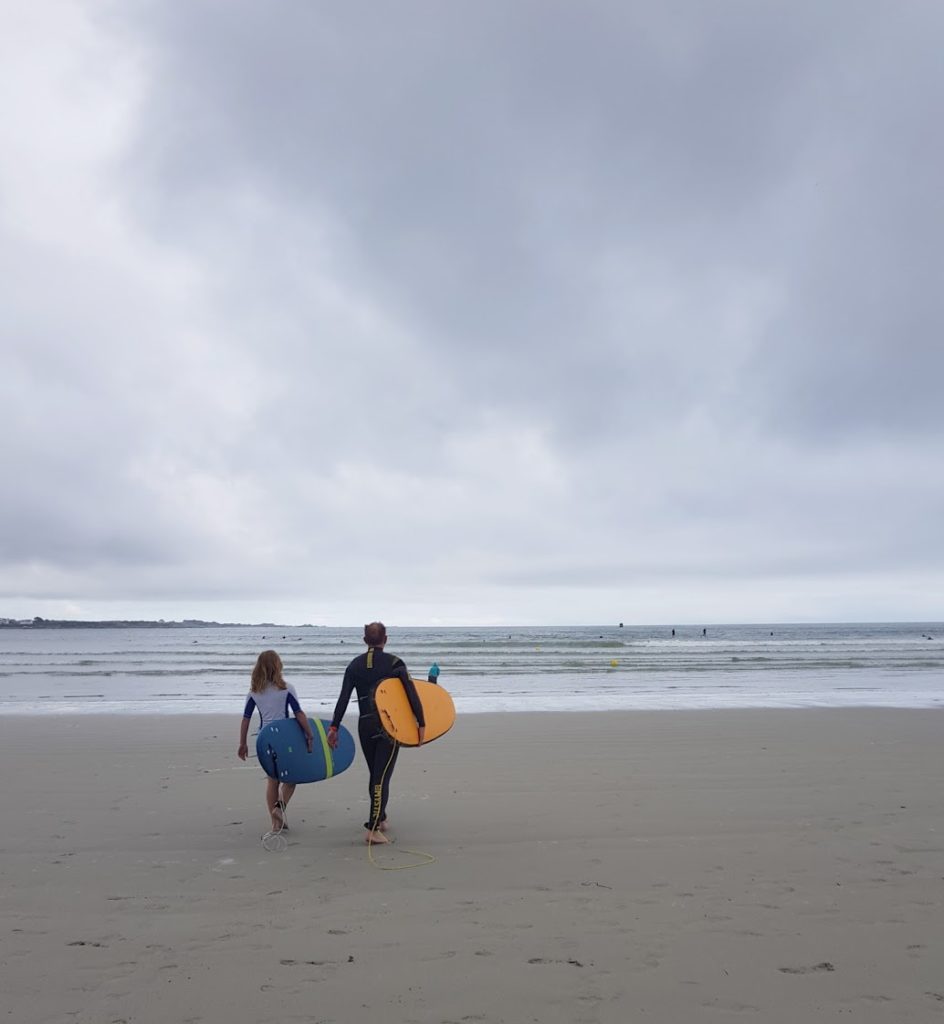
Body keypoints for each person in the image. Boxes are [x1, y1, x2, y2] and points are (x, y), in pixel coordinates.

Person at [328, 622, 425, 844]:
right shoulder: (394, 663)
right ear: (386, 639)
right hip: (388, 727)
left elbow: (343, 698)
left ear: (365, 641)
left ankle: (380, 818)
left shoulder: (354, 665)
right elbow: (412, 693)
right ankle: (372, 828)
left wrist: (334, 727)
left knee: (376, 774)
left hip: (365, 725)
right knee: (382, 776)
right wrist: (421, 723)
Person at [238, 650, 314, 834]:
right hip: (283, 737)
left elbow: (246, 718)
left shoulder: (254, 692)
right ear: (278, 666)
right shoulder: (287, 688)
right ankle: (279, 809)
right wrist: (309, 734)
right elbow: (298, 713)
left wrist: (243, 743)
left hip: (264, 739)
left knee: (272, 781)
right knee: (291, 779)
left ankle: (275, 824)